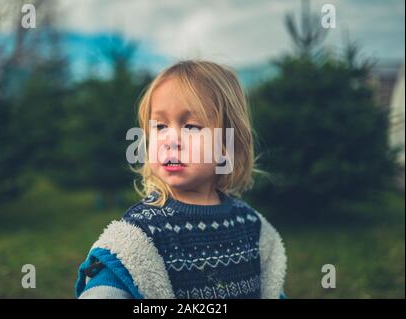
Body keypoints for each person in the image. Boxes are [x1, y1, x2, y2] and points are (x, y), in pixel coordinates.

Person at [75, 60, 286, 299]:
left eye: (192, 127)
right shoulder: (140, 233)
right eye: (161, 126)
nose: (171, 140)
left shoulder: (252, 226)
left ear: (228, 144)